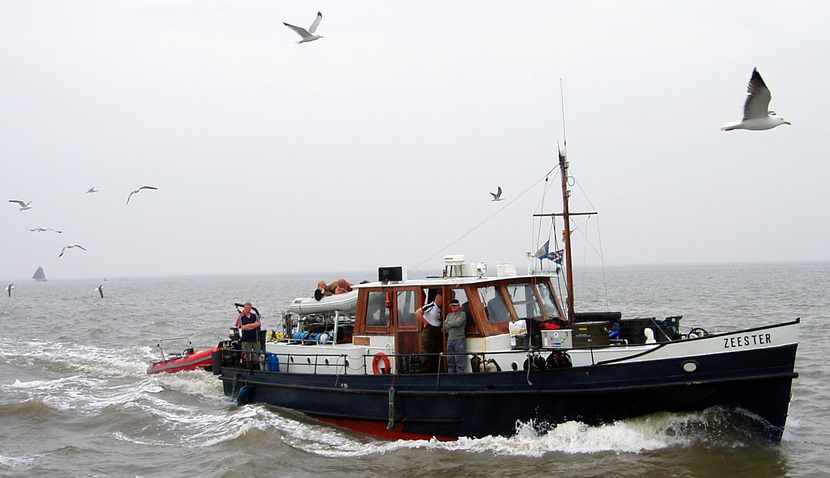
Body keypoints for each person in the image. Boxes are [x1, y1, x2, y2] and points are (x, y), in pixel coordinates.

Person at [415, 290, 443, 373]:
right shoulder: (431, 306)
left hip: (438, 331)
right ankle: (424, 372)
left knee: (437, 352)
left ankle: (436, 371)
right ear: (437, 298)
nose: (442, 302)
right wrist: (425, 322)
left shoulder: (441, 308)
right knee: (426, 352)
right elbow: (418, 313)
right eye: (442, 299)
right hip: (429, 331)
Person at [443, 298, 467, 373]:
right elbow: (444, 326)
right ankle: (451, 376)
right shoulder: (449, 315)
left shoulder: (462, 314)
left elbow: (458, 323)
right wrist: (451, 323)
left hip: (459, 340)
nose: (453, 307)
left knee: (460, 360)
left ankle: (459, 376)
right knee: (450, 360)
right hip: (450, 340)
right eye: (452, 306)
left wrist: (449, 323)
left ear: (459, 306)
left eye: (455, 305)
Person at [235, 302, 261, 368]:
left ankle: (258, 365)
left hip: (255, 338)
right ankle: (246, 366)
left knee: (258, 352)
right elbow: (243, 327)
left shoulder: (255, 316)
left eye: (249, 307)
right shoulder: (242, 317)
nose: (247, 309)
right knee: (246, 353)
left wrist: (248, 325)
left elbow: (258, 324)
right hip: (246, 338)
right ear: (244, 308)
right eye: (246, 307)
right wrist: (253, 326)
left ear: (251, 308)